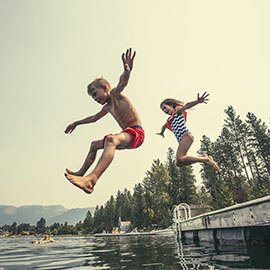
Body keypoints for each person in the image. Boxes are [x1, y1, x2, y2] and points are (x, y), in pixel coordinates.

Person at [64, 48, 144, 194]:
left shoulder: (114, 95)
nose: (95, 99)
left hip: (136, 133)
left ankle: (91, 179)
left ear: (106, 88)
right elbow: (93, 118)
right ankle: (81, 173)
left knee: (111, 140)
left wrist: (127, 71)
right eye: (93, 98)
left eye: (95, 94)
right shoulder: (107, 107)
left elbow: (123, 82)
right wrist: (76, 123)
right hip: (126, 135)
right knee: (94, 145)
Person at [157, 92, 220, 171]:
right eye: (163, 110)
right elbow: (164, 126)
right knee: (178, 163)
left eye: (165, 108)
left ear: (171, 105)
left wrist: (197, 101)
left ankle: (206, 160)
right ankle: (204, 158)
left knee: (179, 158)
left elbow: (186, 105)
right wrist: (162, 132)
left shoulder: (177, 111)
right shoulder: (169, 120)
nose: (164, 110)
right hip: (181, 140)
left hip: (186, 136)